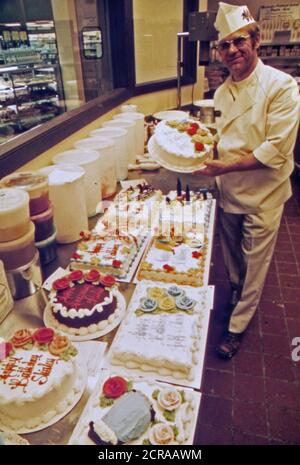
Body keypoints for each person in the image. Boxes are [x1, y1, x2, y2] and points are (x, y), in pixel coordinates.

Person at [197, 2, 300, 359]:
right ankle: (238, 294)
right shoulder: (223, 92)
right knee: (232, 258)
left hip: (263, 192)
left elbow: (276, 149)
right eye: (224, 45)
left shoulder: (281, 87)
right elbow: (219, 139)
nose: (232, 51)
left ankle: (237, 326)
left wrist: (223, 167)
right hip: (229, 191)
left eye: (239, 41)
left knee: (255, 264)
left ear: (255, 41)